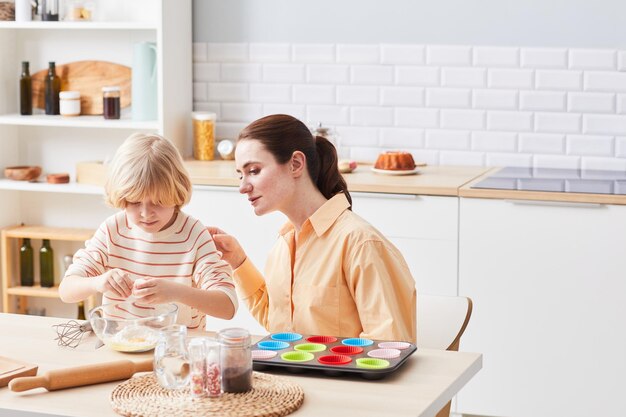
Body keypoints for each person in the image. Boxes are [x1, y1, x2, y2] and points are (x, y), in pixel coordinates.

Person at [210, 114, 416, 342]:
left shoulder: (360, 243)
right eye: (240, 175)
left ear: (296, 164)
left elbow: (390, 346)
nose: (243, 187)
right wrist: (238, 261)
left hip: (337, 377)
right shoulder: (283, 246)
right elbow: (281, 325)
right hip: (291, 374)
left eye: (254, 171)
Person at [59, 133, 238, 329]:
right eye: (134, 202)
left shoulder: (193, 235)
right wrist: (98, 283)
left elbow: (228, 306)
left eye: (158, 202)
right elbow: (66, 291)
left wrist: (177, 292)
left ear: (177, 193)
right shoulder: (112, 231)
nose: (146, 213)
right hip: (122, 345)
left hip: (177, 350)